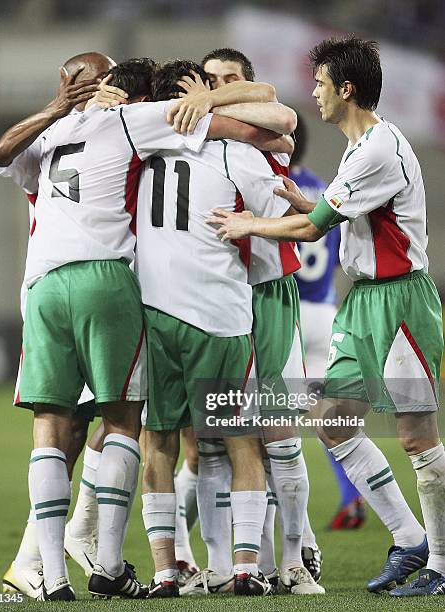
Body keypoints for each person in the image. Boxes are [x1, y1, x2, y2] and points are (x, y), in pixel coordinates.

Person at [207, 35, 445, 597]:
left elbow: (315, 228)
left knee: (417, 437)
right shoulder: (360, 148)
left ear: (346, 89)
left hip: (402, 302)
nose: (311, 92)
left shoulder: (377, 150)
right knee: (333, 420)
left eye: (319, 83)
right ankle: (410, 538)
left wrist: (249, 226)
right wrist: (295, 198)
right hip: (364, 302)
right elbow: (325, 214)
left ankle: (440, 561)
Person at [137, 59, 296, 598]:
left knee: (158, 438)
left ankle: (165, 570)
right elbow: (281, 196)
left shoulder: (139, 148)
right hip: (221, 317)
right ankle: (249, 566)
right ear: (201, 93)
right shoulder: (235, 152)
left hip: (154, 312)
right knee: (240, 440)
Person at [176, 48, 323, 595]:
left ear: (249, 83)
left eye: (229, 79)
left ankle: (293, 560)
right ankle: (220, 566)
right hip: (215, 297)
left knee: (280, 436)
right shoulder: (196, 138)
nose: (216, 87)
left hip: (268, 291)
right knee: (216, 439)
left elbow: (281, 120)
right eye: (208, 80)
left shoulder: (261, 124)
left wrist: (206, 102)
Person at [0, 52, 114, 599]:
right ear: (67, 82)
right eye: (94, 79)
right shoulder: (48, 136)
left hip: (97, 292)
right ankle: (54, 550)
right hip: (59, 292)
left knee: (88, 427)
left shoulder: (116, 127)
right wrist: (54, 109)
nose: (104, 87)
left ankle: (44, 554)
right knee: (75, 427)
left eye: (108, 78)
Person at [291, 114, 366, 530]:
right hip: (324, 309)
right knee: (327, 415)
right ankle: (351, 496)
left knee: (269, 423)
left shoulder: (272, 183)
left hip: (287, 313)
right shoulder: (324, 186)